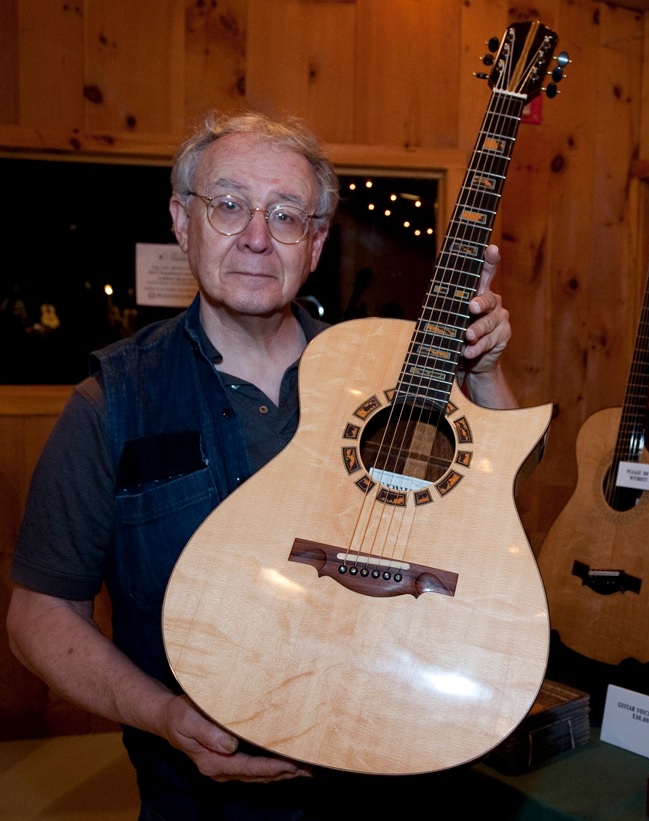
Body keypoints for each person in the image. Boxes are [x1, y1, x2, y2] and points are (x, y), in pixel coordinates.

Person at [7, 111, 517, 820]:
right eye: (228, 204)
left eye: (285, 216)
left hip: (394, 783)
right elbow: (40, 612)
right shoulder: (111, 403)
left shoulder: (380, 375)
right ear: (182, 222)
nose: (255, 236)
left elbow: (491, 494)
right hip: (200, 804)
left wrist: (485, 373)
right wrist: (162, 714)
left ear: (315, 243)